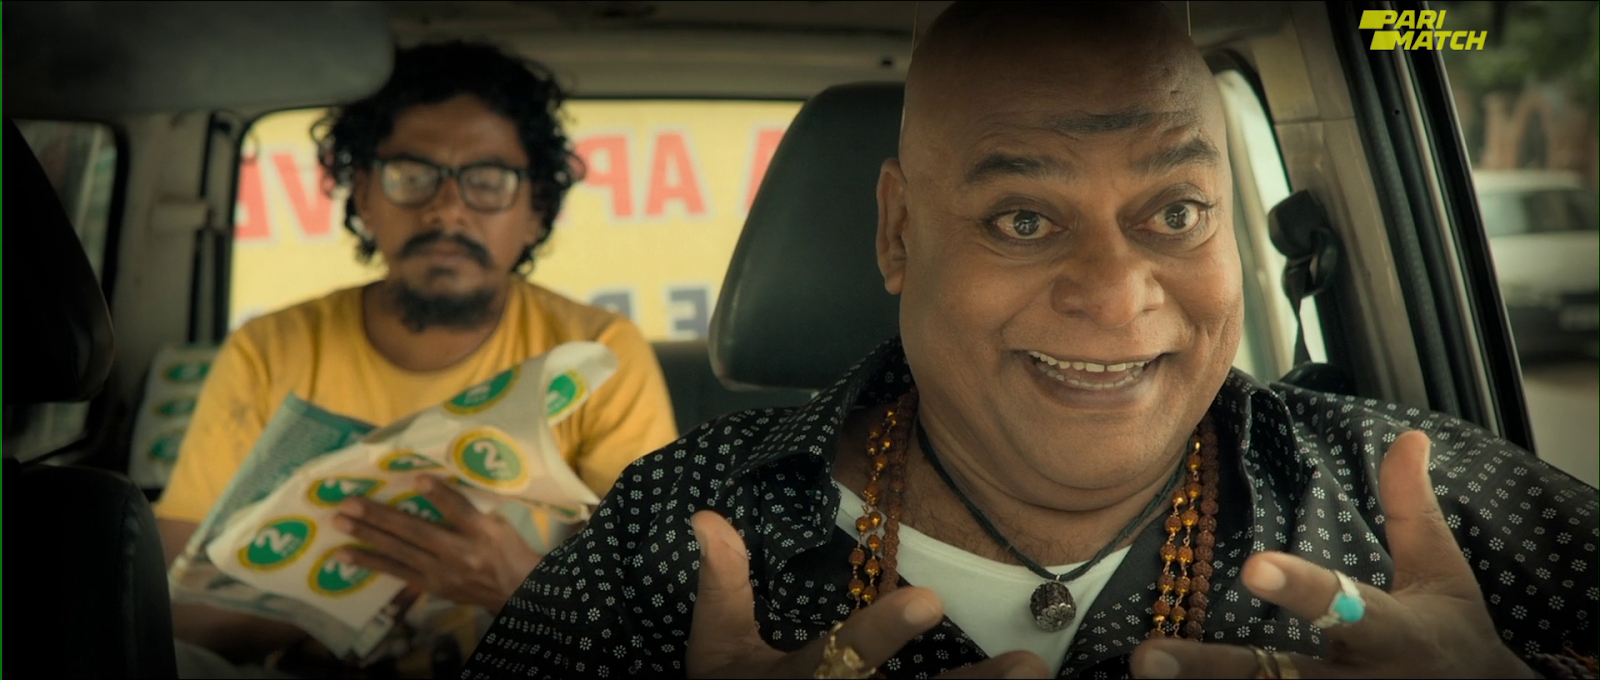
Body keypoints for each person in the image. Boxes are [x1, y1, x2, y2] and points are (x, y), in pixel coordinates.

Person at [457, 3, 1599, 679]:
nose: (1113, 292)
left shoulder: (1419, 499)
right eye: (1022, 218)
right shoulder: (679, 527)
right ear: (900, 234)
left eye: (1175, 211)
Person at [154, 41, 680, 678]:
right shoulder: (267, 350)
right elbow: (173, 612)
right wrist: (347, 590)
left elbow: (648, 616)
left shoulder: (598, 356)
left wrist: (515, 586)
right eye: (411, 175)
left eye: (487, 181)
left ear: (535, 211)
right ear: (364, 196)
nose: (446, 209)